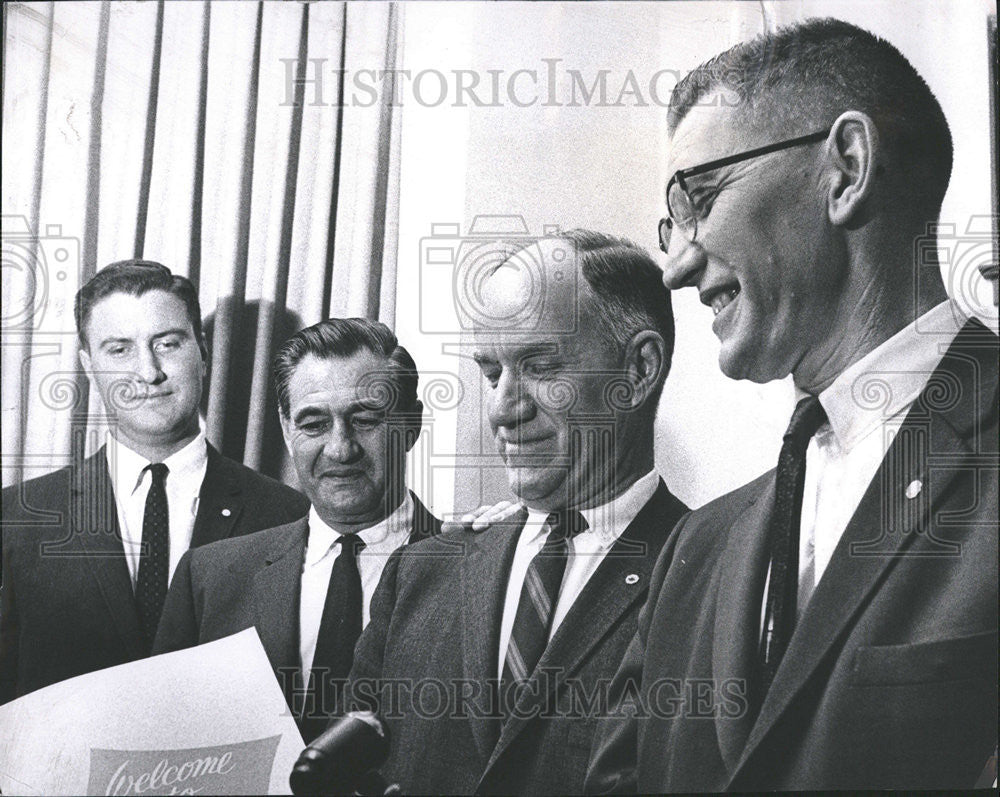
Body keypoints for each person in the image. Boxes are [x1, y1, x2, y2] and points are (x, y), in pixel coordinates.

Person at [586, 18, 998, 792]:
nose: (673, 267)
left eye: (699, 195)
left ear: (845, 169)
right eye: (670, 223)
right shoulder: (692, 554)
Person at [336, 229, 688, 795]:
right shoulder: (422, 572)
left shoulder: (708, 572)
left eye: (541, 367)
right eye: (491, 372)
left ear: (639, 370)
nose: (502, 410)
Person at [0, 260, 308, 704]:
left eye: (167, 343)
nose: (149, 371)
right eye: (119, 349)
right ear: (89, 365)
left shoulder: (287, 517)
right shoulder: (16, 519)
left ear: (202, 351)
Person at [153, 318, 441, 742]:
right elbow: (161, 747)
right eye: (314, 424)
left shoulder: (474, 570)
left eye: (364, 419)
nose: (341, 449)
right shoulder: (209, 578)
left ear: (411, 425)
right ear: (287, 431)